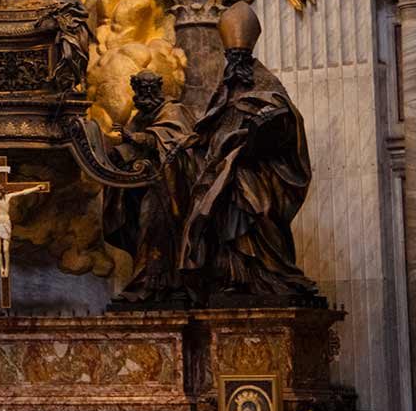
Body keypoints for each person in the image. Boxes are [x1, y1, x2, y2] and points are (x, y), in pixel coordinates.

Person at [179, 40, 316, 304]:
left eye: (241, 57)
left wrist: (261, 126)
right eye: (231, 57)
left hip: (256, 170)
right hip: (226, 173)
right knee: (225, 225)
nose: (235, 64)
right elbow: (209, 129)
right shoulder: (224, 95)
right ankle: (236, 279)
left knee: (260, 212)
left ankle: (275, 275)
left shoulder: (269, 89)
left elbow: (287, 126)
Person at [105, 71, 195, 304]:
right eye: (140, 91)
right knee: (141, 231)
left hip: (168, 191)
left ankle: (158, 284)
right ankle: (147, 283)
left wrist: (134, 138)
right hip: (145, 188)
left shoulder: (173, 111)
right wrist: (113, 154)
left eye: (149, 90)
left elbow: (173, 142)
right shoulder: (142, 116)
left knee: (155, 230)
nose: (144, 95)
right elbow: (133, 148)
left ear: (157, 88)